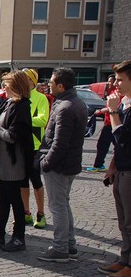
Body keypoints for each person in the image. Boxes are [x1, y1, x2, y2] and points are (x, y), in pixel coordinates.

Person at [36, 68, 87, 262]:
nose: (48, 85)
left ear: (61, 85)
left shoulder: (65, 107)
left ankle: (60, 248)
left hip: (60, 166)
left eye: (51, 82)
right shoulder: (75, 102)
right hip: (69, 164)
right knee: (63, 205)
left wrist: (46, 163)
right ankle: (70, 245)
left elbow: (59, 143)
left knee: (57, 207)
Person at [0, 71, 33, 252]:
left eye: (6, 84)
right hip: (4, 161)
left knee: (15, 200)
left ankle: (18, 237)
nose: (3, 87)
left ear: (15, 86)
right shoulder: (10, 103)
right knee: (3, 198)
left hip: (13, 162)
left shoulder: (21, 107)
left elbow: (12, 137)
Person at [99, 60, 131, 277]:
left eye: (121, 79)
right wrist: (112, 166)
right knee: (123, 221)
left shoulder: (121, 107)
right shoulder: (124, 103)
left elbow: (125, 140)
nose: (115, 83)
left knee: (130, 221)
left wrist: (112, 112)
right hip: (121, 169)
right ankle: (124, 259)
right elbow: (117, 144)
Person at [19, 68, 50, 229]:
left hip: (35, 146)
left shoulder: (41, 97)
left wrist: (24, 119)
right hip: (19, 145)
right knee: (22, 182)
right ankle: (26, 212)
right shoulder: (18, 97)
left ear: (32, 81)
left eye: (26, 79)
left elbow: (43, 119)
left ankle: (41, 213)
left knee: (36, 180)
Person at [86, 75, 117, 172]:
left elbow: (114, 107)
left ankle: (99, 165)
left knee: (104, 145)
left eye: (110, 81)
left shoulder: (117, 93)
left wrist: (101, 111)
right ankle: (100, 165)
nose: (108, 83)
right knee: (105, 145)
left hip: (112, 124)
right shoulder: (112, 91)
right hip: (108, 122)